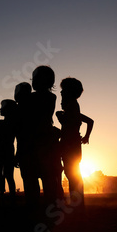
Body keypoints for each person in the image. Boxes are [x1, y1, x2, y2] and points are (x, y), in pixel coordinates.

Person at [21, 66, 58, 205]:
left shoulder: (31, 98)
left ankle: (34, 208)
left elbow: (26, 119)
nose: (32, 81)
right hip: (47, 140)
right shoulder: (52, 97)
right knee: (48, 177)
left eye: (34, 78)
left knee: (31, 178)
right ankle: (50, 208)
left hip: (34, 141)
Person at [56, 77, 94, 206]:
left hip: (70, 143)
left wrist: (60, 117)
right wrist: (86, 137)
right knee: (71, 172)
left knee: (72, 173)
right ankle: (77, 201)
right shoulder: (72, 107)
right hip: (72, 142)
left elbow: (70, 124)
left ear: (69, 92)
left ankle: (77, 201)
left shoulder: (72, 106)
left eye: (63, 91)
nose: (60, 93)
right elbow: (90, 121)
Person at [0, 99, 17, 199]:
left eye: (2, 107)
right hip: (8, 150)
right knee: (8, 175)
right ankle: (11, 197)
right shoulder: (13, 123)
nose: (0, 109)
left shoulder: (3, 123)